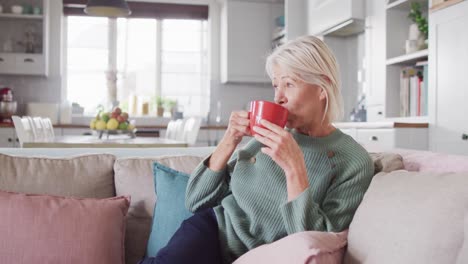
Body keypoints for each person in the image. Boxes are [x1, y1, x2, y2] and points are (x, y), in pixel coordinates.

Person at [140, 35, 374, 264]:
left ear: (323, 87)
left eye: (289, 84)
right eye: (276, 85)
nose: (278, 97)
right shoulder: (268, 135)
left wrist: (294, 168)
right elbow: (195, 200)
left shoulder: (353, 162)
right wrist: (230, 140)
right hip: (213, 231)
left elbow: (314, 242)